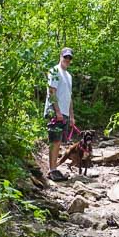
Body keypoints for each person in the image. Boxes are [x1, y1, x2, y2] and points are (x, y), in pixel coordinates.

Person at [44, 47, 75, 181]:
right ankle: (52, 170)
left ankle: (54, 168)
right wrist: (57, 111)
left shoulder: (68, 75)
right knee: (54, 140)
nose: (67, 60)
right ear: (60, 56)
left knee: (59, 142)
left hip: (64, 112)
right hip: (55, 111)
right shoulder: (55, 70)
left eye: (69, 58)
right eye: (65, 57)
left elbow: (69, 96)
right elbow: (52, 91)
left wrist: (72, 115)